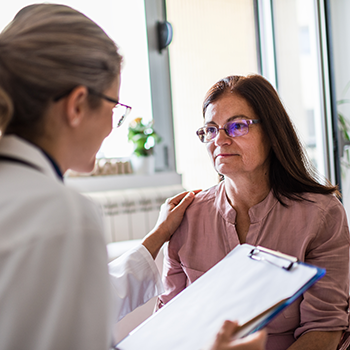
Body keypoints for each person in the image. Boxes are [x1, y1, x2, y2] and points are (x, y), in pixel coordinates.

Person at [0, 5, 266, 350]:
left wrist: (155, 238)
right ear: (77, 105)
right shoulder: (62, 215)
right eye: (114, 108)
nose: (113, 126)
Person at [158, 74, 350, 350]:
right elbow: (167, 324)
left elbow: (324, 330)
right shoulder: (185, 217)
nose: (220, 140)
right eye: (211, 129)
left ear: (272, 134)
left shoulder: (321, 214)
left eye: (237, 126)